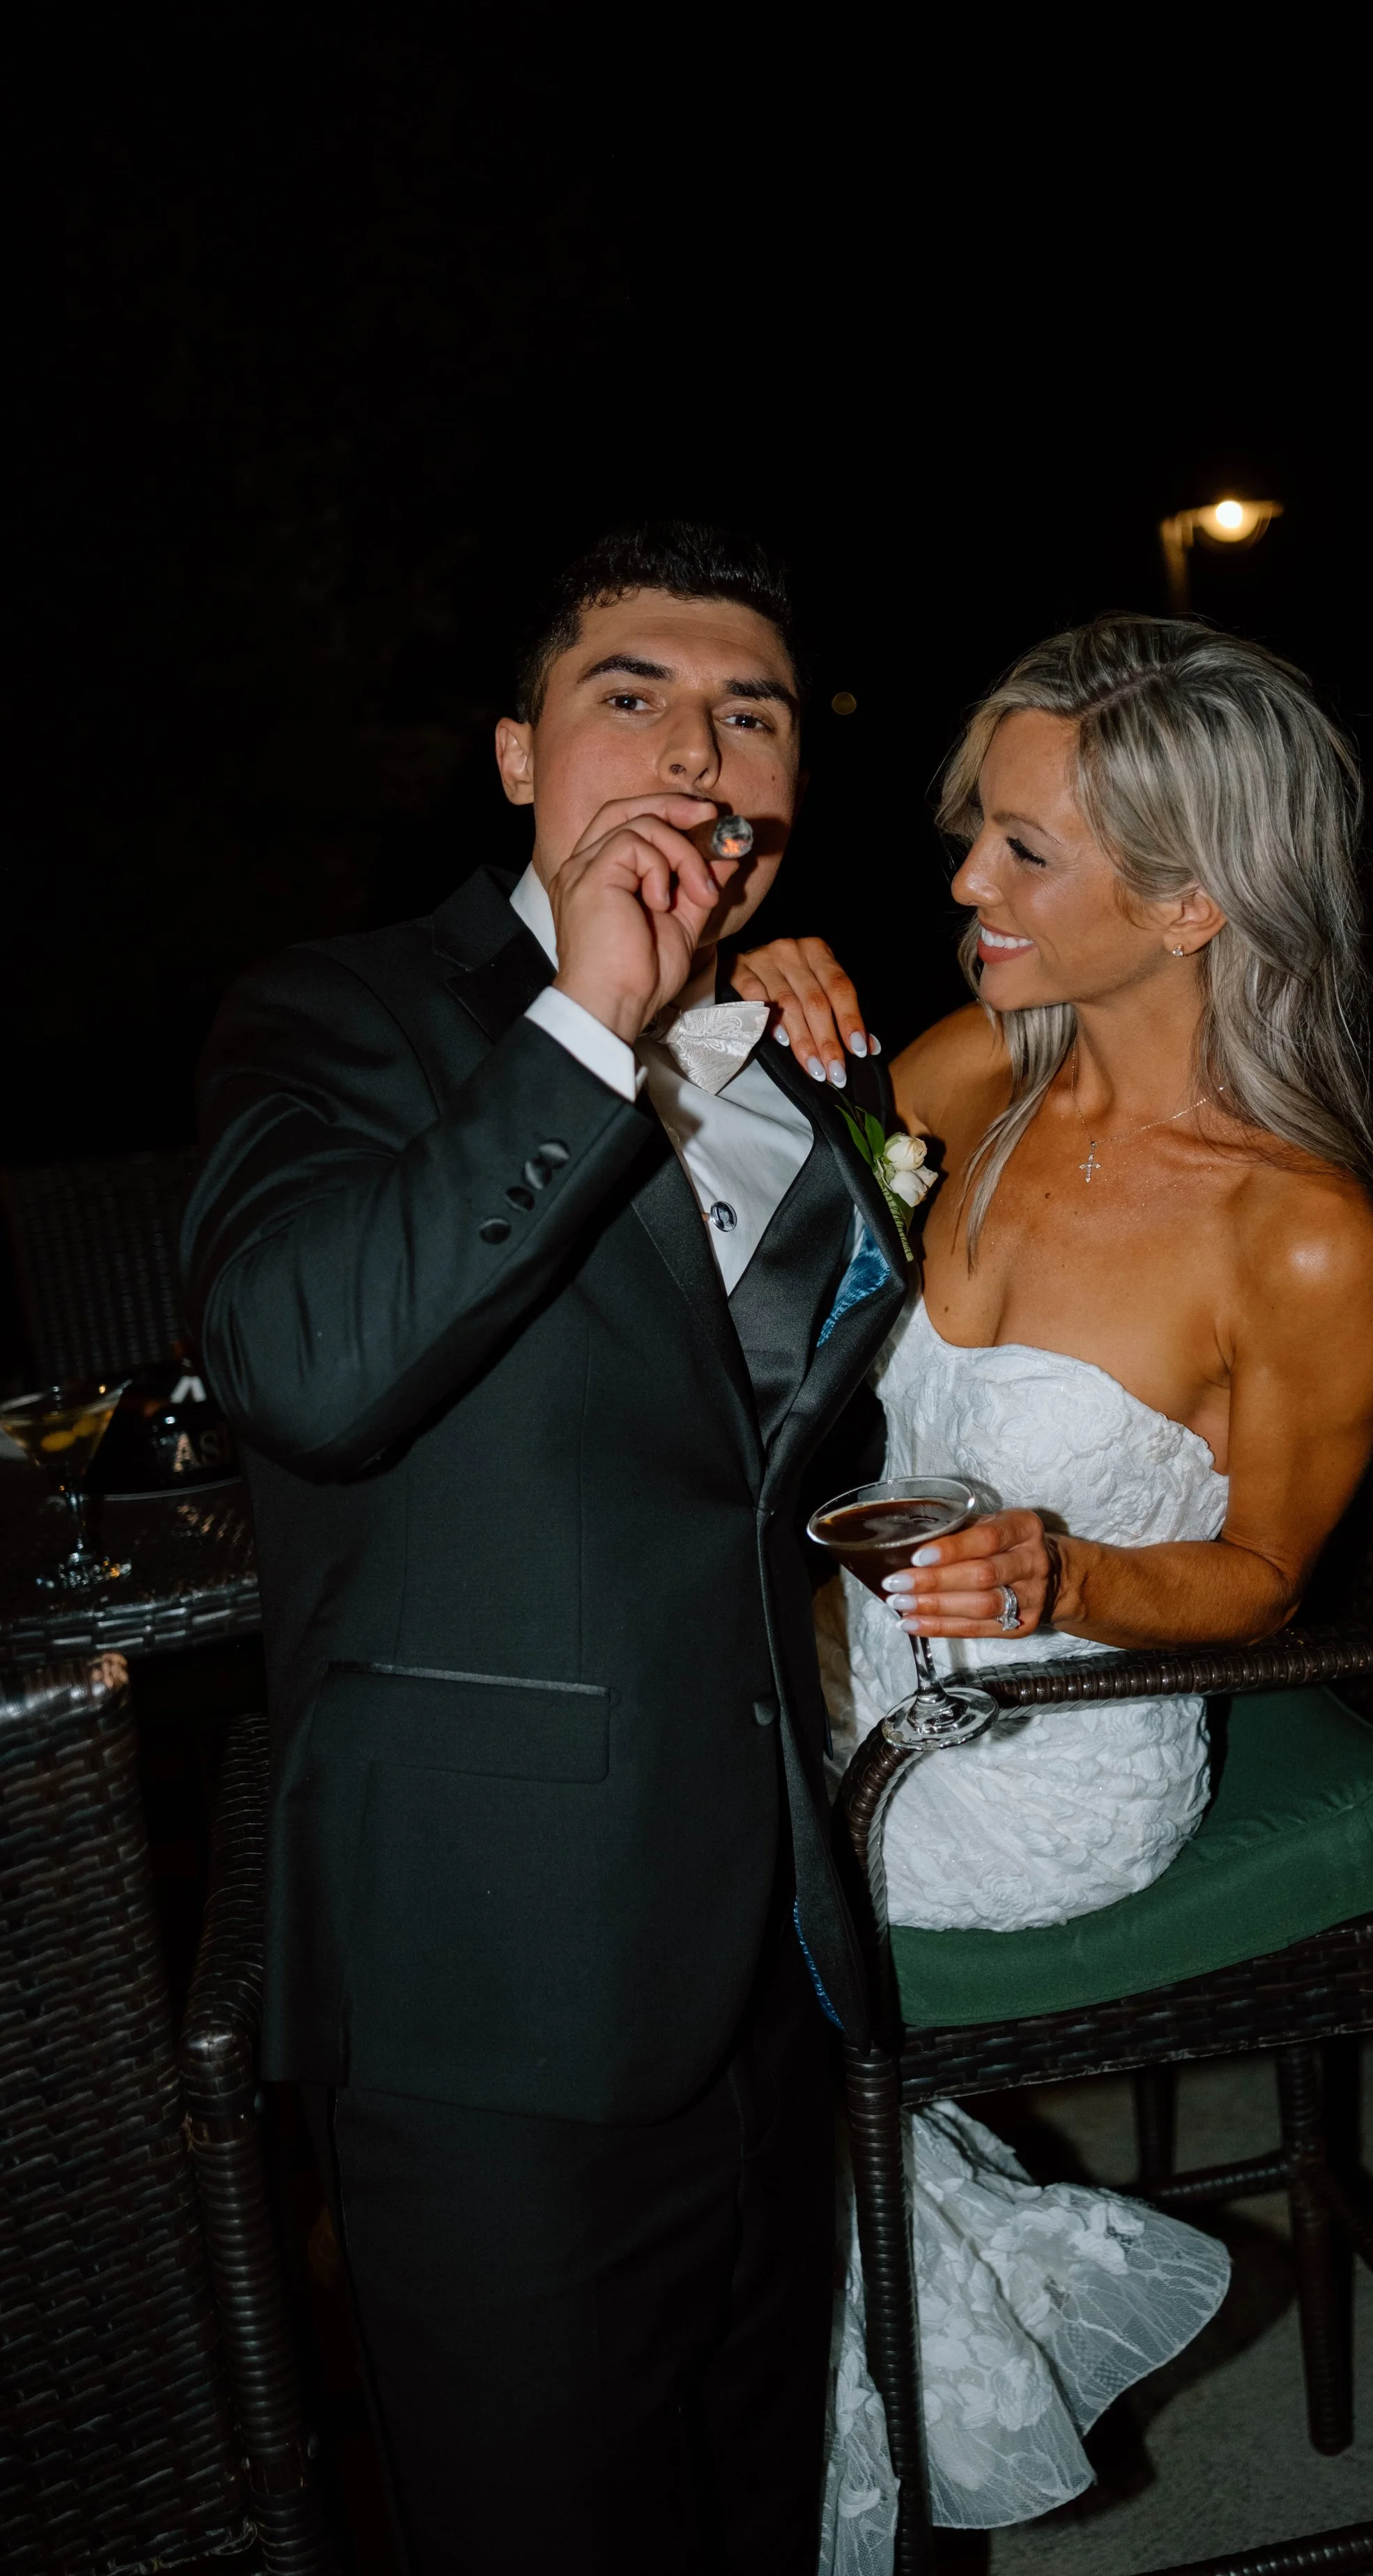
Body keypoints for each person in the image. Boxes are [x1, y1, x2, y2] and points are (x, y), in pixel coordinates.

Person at [181, 523, 912, 2575]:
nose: (698, 751)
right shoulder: (340, 1013)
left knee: (758, 2497)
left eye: (747, 715)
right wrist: (589, 1017)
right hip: (491, 1960)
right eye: (632, 696)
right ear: (514, 758)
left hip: (777, 1934)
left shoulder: (809, 1051)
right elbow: (304, 1369)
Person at [734, 614, 1373, 2567]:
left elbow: (1268, 1580)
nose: (961, 881)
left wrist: (1068, 1566)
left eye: (1025, 850)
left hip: (1048, 1761)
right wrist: (755, 1018)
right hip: (858, 1684)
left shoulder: (1290, 1237)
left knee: (676, 1886)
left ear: (1193, 904)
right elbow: (712, 1207)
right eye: (974, 834)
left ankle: (800, 2432)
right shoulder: (968, 1077)